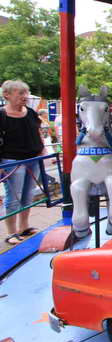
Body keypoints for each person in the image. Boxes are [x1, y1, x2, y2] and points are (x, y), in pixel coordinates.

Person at [1, 80, 45, 245]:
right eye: (20, 93)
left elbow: (37, 130)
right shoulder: (2, 115)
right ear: (7, 95)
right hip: (12, 160)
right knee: (14, 196)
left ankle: (24, 226)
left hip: (33, 158)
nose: (25, 96)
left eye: (25, 93)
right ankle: (11, 232)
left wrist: (42, 149)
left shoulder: (30, 112)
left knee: (28, 194)